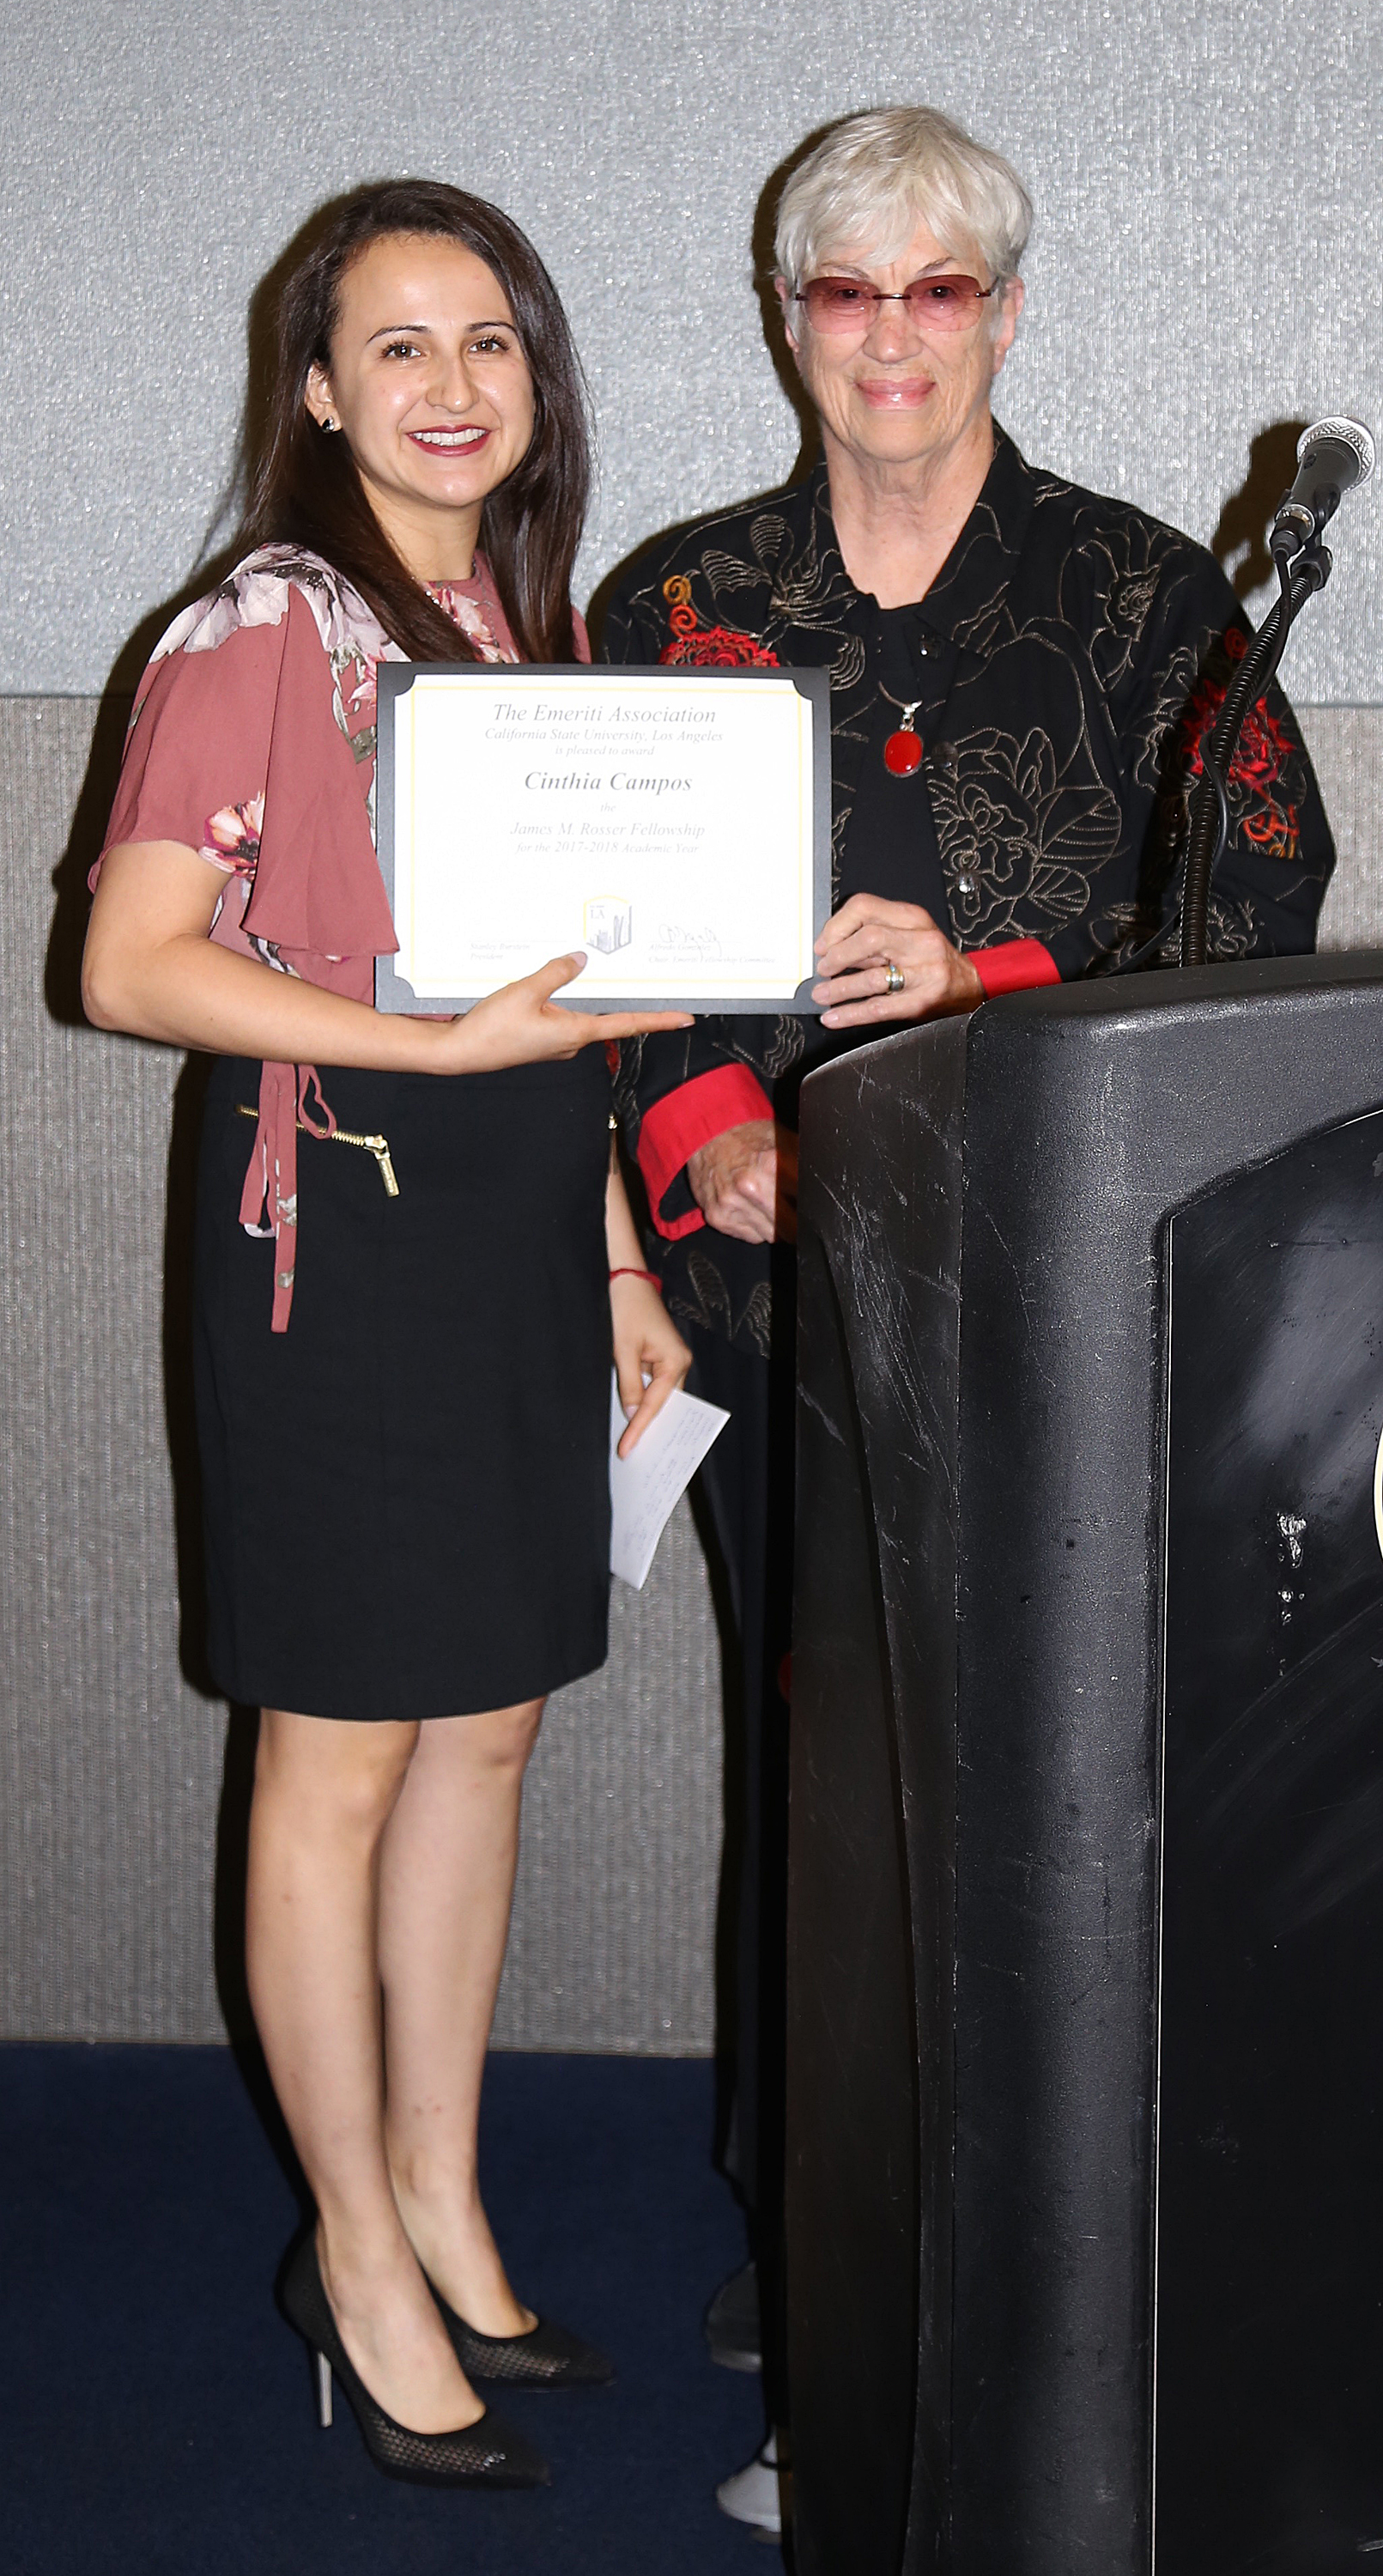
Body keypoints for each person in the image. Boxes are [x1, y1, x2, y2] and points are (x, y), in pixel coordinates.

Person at [600, 104, 1336, 2533]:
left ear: (1004, 312)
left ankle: (993, 2259)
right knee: (814, 1765)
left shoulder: (1145, 598)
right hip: (769, 1279)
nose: (894, 337)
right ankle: (805, 2217)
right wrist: (707, 1118)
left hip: (1059, 1304)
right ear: (787, 318)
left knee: (1021, 1797)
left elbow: (1250, 889)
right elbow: (588, 935)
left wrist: (992, 975)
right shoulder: (676, 596)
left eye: (941, 290)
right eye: (848, 292)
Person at [82, 179, 693, 2494]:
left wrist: (623, 1261)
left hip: (517, 1246)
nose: (453, 386)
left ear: (534, 386)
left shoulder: (500, 624)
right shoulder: (267, 622)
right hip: (334, 1246)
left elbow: (559, 1005)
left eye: (492, 345)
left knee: (491, 1732)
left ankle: (441, 2188)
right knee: (337, 1762)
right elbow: (131, 965)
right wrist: (432, 1059)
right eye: (401, 345)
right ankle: (347, 2247)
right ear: (317, 386)